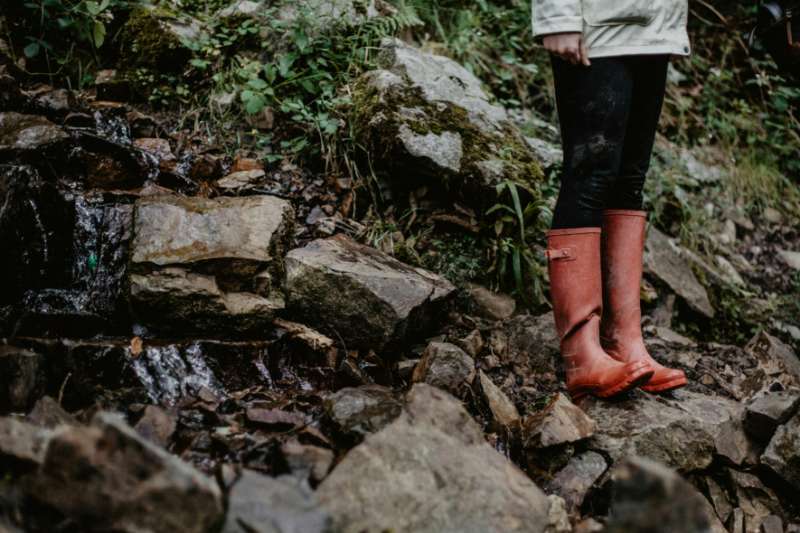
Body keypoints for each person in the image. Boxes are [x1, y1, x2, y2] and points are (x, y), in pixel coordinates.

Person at [532, 0, 690, 400]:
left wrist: (669, 23)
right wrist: (558, 15)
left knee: (629, 181)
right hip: (595, 26)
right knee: (591, 174)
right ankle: (581, 353)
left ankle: (625, 342)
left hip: (652, 28)